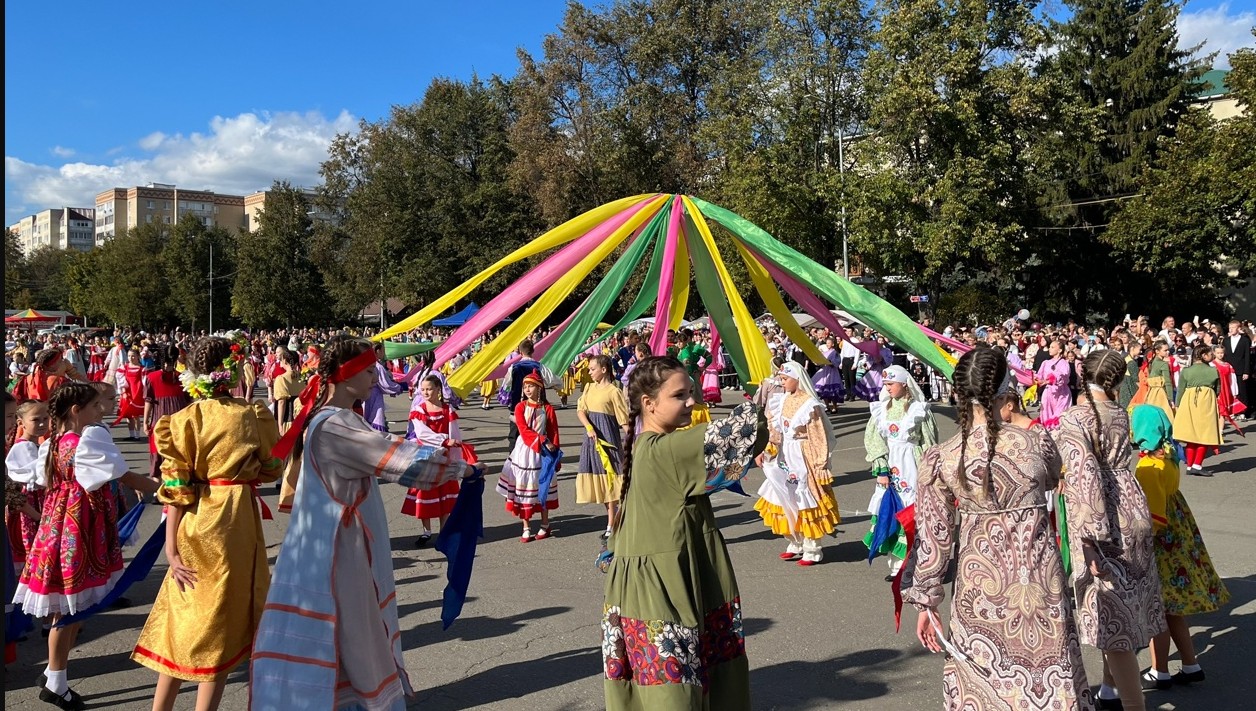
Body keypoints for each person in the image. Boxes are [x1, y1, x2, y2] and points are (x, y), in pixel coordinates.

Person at [251, 337, 481, 711]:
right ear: (346, 377)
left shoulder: (337, 419)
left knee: (346, 636)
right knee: (357, 635)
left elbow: (385, 444)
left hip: (332, 547)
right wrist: (463, 468)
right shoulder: (335, 426)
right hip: (338, 554)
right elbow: (401, 461)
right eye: (370, 371)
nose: (377, 377)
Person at [907, 347, 1092, 710]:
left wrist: (926, 602)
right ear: (1006, 390)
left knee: (984, 679)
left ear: (958, 393)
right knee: (1050, 678)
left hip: (980, 586)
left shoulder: (943, 456)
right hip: (1040, 580)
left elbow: (934, 537)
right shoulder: (1036, 441)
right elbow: (1056, 478)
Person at [601, 356, 766, 710]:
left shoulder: (646, 446)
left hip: (645, 589)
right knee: (673, 692)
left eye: (691, 392)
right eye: (680, 395)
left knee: (661, 688)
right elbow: (747, 435)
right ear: (649, 403)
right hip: (663, 590)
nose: (692, 402)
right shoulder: (668, 451)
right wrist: (763, 392)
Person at [131, 337, 284, 711]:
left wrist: (170, 547)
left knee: (186, 613)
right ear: (232, 371)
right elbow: (271, 468)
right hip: (234, 521)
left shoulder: (179, 422)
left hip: (194, 521)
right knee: (221, 620)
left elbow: (175, 489)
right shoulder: (250, 414)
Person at [13, 382, 157, 711]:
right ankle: (57, 683)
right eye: (94, 406)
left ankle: (53, 673)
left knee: (70, 607)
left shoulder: (53, 443)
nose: (101, 411)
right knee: (66, 609)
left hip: (60, 525)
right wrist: (164, 488)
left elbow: (45, 480)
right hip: (76, 528)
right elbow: (123, 476)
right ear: (76, 411)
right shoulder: (85, 440)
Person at [1058, 350, 1166, 711]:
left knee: (1111, 617)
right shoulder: (1118, 411)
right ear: (1118, 380)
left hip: (1103, 512)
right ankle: (1108, 688)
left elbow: (1084, 476)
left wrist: (1090, 541)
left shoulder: (1076, 417)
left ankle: (1134, 705)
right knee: (1125, 602)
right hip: (1131, 504)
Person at [1129, 405, 1229, 693]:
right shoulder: (1170, 455)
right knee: (1173, 611)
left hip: (1162, 544)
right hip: (1180, 533)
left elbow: (1153, 515)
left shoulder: (1148, 466)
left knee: (1157, 609)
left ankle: (1160, 670)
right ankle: (1190, 663)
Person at [753, 361, 839, 566]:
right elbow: (775, 432)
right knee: (783, 496)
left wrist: (820, 464)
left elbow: (818, 436)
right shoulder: (781, 401)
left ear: (797, 379)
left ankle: (812, 548)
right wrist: (766, 450)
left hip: (803, 455)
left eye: (785, 379)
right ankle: (795, 541)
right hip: (784, 455)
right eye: (781, 379)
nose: (782, 383)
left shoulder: (809, 404)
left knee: (805, 498)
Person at [862, 365, 938, 579]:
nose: (888, 388)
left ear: (904, 384)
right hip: (891, 466)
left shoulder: (918, 409)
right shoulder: (882, 409)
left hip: (911, 465)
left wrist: (929, 470)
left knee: (912, 512)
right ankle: (896, 566)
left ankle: (915, 565)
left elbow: (929, 442)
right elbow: (874, 440)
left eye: (891, 384)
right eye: (885, 384)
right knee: (891, 512)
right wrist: (881, 468)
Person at [400, 374, 466, 547]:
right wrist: (444, 441)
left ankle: (444, 530)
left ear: (438, 389)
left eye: (429, 389)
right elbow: (422, 434)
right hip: (426, 456)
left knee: (444, 494)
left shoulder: (448, 410)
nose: (426, 392)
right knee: (425, 492)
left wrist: (456, 457)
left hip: (444, 457)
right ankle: (426, 531)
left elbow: (455, 433)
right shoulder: (419, 410)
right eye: (423, 389)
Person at [496, 372, 560, 542]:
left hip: (543, 453)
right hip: (525, 452)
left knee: (543, 487)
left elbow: (554, 432)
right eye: (525, 386)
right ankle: (526, 526)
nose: (527, 389)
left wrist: (556, 456)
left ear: (539, 388)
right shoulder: (520, 407)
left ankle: (545, 524)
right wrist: (542, 440)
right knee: (523, 489)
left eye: (530, 386)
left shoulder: (548, 409)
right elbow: (524, 431)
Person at [576, 355, 631, 541]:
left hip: (609, 440)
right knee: (600, 481)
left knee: (611, 482)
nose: (589, 372)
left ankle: (611, 525)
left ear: (604, 369)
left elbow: (623, 420)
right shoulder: (589, 387)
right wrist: (589, 428)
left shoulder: (613, 391)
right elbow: (581, 410)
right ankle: (613, 521)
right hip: (592, 441)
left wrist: (634, 440)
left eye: (592, 369)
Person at [5, 400, 50, 568]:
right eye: (36, 419)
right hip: (29, 506)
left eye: (45, 418)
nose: (42, 424)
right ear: (21, 423)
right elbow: (38, 477)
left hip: (33, 503)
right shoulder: (23, 448)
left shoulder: (33, 445)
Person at [142, 344, 192, 480]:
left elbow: (189, 401)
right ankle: (157, 488)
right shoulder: (152, 378)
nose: (168, 366)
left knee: (178, 453)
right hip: (160, 421)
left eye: (170, 363)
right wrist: (145, 422)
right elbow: (149, 400)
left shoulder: (183, 378)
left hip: (178, 422)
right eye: (166, 363)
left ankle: (176, 486)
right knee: (158, 453)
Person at [1173, 344, 1221, 476]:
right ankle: (1197, 465)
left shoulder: (1186, 371)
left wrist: (1178, 406)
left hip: (1189, 402)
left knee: (1191, 435)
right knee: (1204, 434)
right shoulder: (1213, 371)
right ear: (1204, 355)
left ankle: (1190, 466)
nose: (1212, 355)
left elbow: (1180, 390)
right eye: (1210, 353)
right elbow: (1217, 390)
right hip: (1206, 402)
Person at [362, 343, 405, 433]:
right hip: (374, 395)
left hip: (366, 394)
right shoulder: (377, 366)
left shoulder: (369, 364)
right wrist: (400, 387)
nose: (384, 353)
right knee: (376, 415)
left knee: (367, 416)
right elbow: (385, 384)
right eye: (383, 351)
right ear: (378, 351)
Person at [1033, 339, 1072, 429]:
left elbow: (1063, 376)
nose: (1050, 349)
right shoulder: (1046, 363)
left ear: (1060, 350)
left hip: (1062, 393)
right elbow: (1039, 377)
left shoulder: (1064, 363)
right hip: (1048, 392)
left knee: (1060, 416)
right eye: (1050, 347)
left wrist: (1050, 379)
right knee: (1046, 414)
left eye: (1052, 347)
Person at [1222, 319, 1251, 418]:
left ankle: (1243, 411)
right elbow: (1224, 355)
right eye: (1230, 328)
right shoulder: (1226, 340)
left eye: (1233, 328)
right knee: (1230, 390)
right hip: (1228, 369)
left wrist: (1246, 371)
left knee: (1241, 391)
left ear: (1238, 328)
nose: (1231, 330)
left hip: (1240, 369)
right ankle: (1231, 410)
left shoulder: (1244, 340)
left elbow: (1247, 356)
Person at [115, 348, 146, 440]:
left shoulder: (142, 369)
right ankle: (131, 435)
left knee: (135, 415)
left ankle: (137, 435)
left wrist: (144, 394)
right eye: (129, 356)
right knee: (128, 415)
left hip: (137, 393)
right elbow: (120, 379)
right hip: (127, 393)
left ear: (138, 357)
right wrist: (123, 391)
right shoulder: (125, 367)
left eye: (133, 356)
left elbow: (144, 383)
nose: (131, 358)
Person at [811, 337, 845, 413]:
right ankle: (827, 406)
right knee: (823, 389)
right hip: (825, 371)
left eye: (829, 343)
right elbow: (821, 361)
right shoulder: (825, 352)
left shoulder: (835, 353)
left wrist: (831, 362)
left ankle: (834, 406)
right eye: (827, 343)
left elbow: (837, 363)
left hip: (832, 372)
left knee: (832, 390)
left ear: (833, 344)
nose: (827, 344)